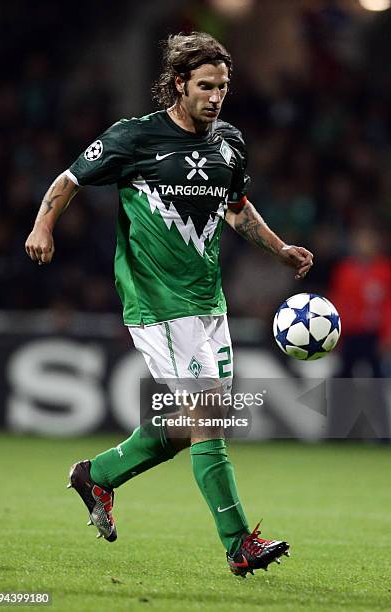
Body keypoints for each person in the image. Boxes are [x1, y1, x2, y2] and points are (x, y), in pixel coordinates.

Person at [25, 32, 313, 577]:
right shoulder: (135, 138)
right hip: (158, 303)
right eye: (205, 86)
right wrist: (43, 223)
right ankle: (238, 544)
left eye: (223, 86)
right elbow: (69, 179)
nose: (216, 96)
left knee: (187, 426)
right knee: (209, 420)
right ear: (179, 84)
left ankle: (98, 475)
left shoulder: (229, 141)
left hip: (208, 301)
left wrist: (279, 249)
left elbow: (236, 207)